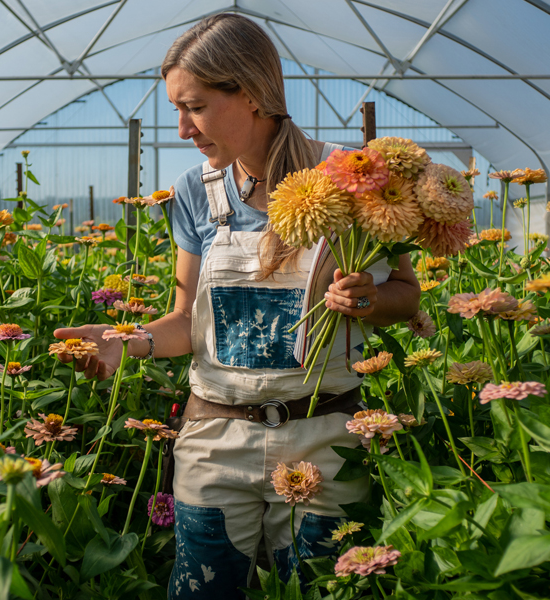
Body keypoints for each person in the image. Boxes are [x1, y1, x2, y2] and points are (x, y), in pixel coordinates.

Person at [54, 13, 421, 599]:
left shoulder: (350, 180)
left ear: (248, 95)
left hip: (323, 438)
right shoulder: (196, 193)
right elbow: (183, 321)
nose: (181, 128)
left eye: (194, 107)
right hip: (215, 441)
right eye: (178, 109)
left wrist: (370, 299)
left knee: (327, 589)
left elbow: (407, 296)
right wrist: (127, 341)